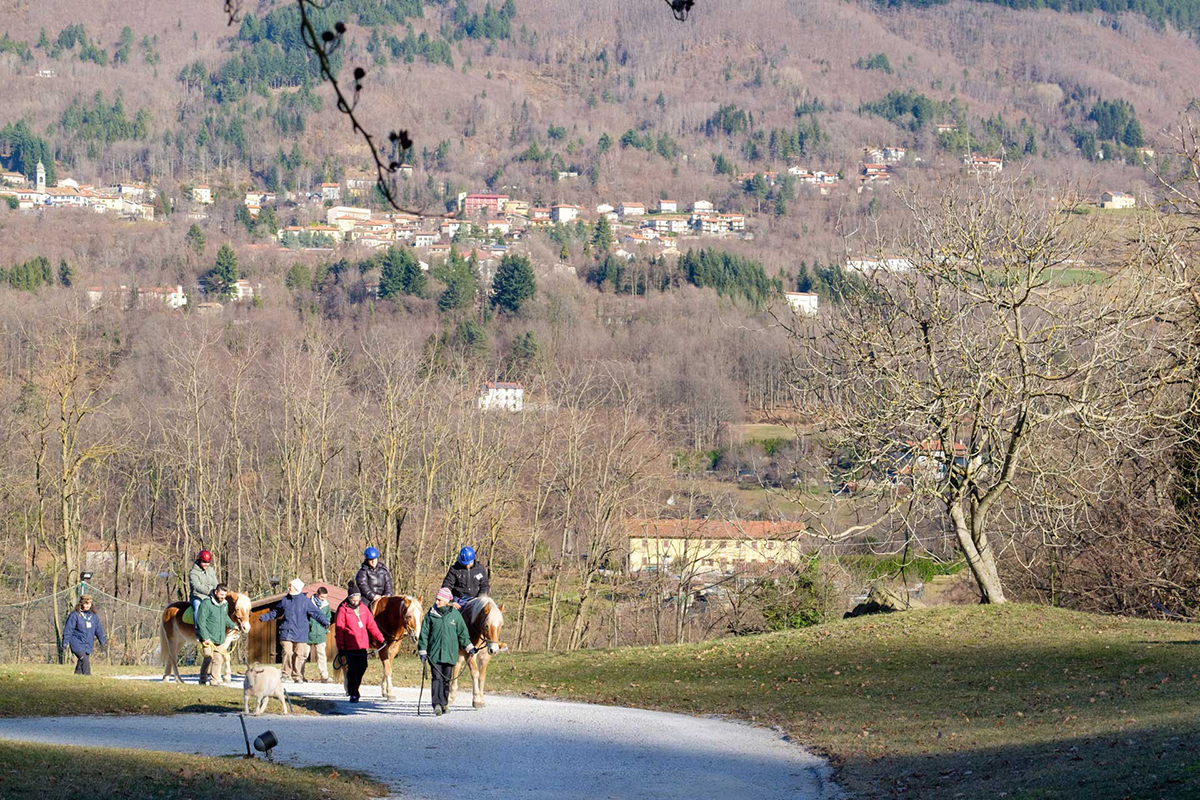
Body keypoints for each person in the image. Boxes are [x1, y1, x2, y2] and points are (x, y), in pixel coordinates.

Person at [418, 587, 475, 716]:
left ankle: (444, 703)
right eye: (436, 599)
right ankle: (436, 704)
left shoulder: (455, 615)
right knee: (436, 678)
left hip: (450, 653)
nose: (437, 602)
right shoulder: (430, 614)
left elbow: (462, 634)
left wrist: (469, 647)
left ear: (446, 601)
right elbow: (424, 634)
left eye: (439, 600)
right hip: (434, 654)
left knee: (446, 679)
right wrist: (422, 650)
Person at [258, 579, 329, 683]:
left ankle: (297, 675)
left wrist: (324, 622)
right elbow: (276, 612)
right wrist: (264, 617)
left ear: (296, 588)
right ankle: (285, 674)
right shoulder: (285, 600)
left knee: (299, 654)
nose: (288, 588)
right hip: (286, 631)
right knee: (287, 651)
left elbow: (316, 613)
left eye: (290, 586)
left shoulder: (305, 601)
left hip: (301, 633)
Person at [334, 584, 384, 702]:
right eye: (353, 600)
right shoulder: (343, 610)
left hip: (362, 645)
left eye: (358, 599)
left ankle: (354, 688)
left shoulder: (364, 609)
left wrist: (381, 639)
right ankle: (353, 692)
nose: (356, 602)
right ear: (349, 598)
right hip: (349, 646)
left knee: (362, 667)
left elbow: (371, 625)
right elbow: (339, 630)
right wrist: (341, 648)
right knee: (353, 669)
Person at [195, 583, 238, 686]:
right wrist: (205, 637)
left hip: (219, 638)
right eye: (221, 595)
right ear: (216, 592)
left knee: (218, 659)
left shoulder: (224, 604)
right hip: (207, 638)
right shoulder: (206, 603)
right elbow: (201, 621)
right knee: (208, 658)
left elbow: (225, 618)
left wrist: (233, 625)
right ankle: (202, 679)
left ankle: (214, 681)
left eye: (224, 595)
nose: (223, 597)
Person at [62, 594, 106, 676]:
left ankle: (77, 676)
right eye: (85, 603)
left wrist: (102, 642)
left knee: (81, 662)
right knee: (85, 660)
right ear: (81, 603)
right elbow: (68, 630)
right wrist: (65, 643)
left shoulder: (93, 617)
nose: (87, 606)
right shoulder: (74, 615)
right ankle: (88, 676)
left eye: (89, 604)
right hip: (77, 643)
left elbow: (99, 630)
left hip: (88, 644)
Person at [304, 586, 333, 683]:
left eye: (325, 597)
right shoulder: (308, 603)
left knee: (322, 655)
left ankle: (324, 676)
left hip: (320, 634)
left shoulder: (326, 605)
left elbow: (328, 617)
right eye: (322, 597)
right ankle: (300, 674)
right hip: (308, 633)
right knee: (303, 655)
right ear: (317, 594)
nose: (323, 599)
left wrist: (325, 629)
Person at [188, 550, 218, 641]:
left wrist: (218, 591)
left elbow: (215, 582)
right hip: (197, 596)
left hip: (210, 595)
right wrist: (210, 591)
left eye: (208, 562)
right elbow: (197, 587)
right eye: (204, 562)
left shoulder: (211, 570)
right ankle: (198, 630)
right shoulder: (193, 573)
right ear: (199, 561)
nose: (206, 564)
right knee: (197, 607)